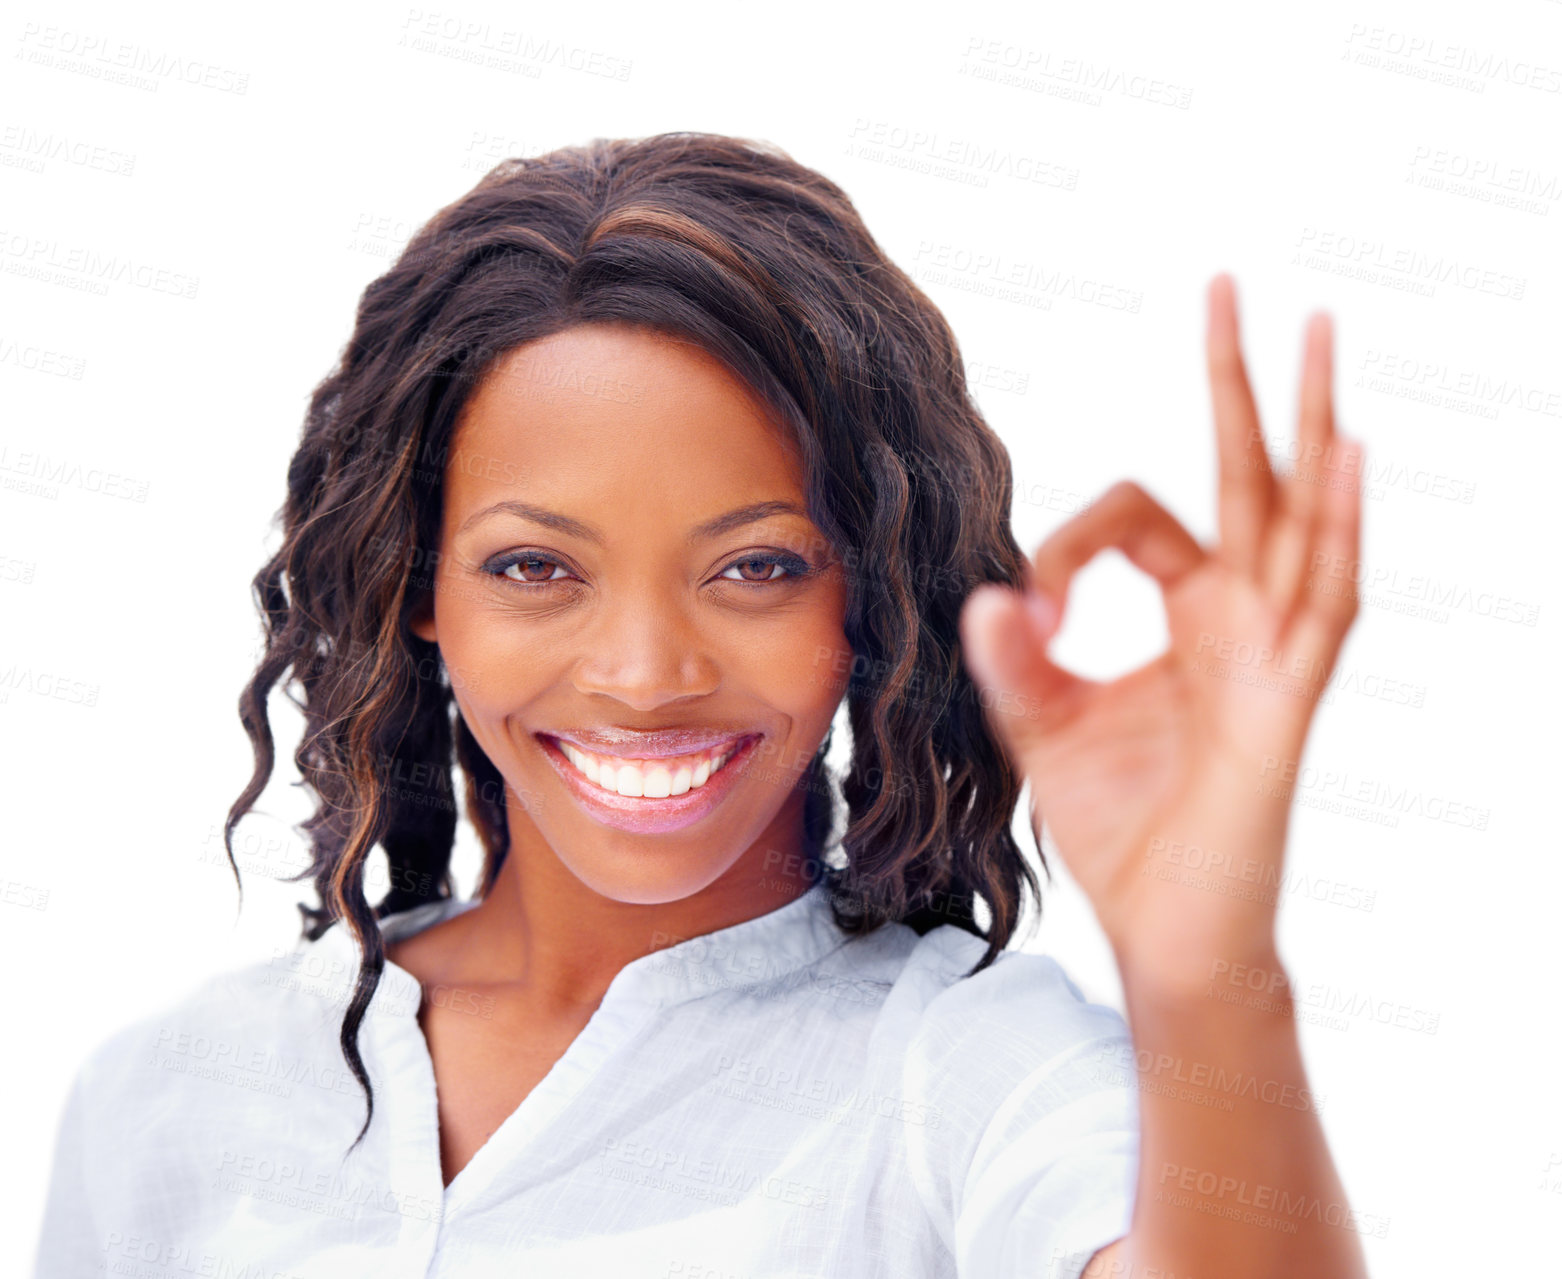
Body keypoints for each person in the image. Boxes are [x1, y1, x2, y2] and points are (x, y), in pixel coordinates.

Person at [33, 131, 1370, 1278]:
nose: (644, 673)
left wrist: (1204, 975)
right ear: (419, 583)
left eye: (755, 568)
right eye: (536, 567)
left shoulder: (963, 1073)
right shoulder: (169, 1094)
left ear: (866, 598)